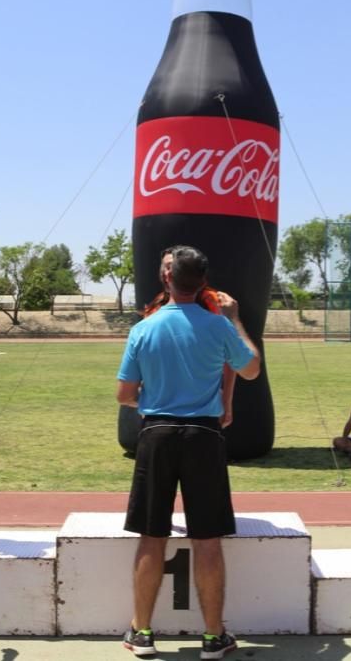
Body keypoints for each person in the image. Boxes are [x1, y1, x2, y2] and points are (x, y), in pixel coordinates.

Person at [116, 246, 260, 660]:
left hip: (156, 433)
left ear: (167, 279)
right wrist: (234, 318)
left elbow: (125, 394)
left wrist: (156, 394)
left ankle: (141, 632)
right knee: (207, 539)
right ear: (204, 282)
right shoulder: (219, 326)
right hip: (203, 435)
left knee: (152, 535)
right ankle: (214, 637)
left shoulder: (145, 328)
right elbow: (250, 368)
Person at [142, 246, 237, 427]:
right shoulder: (155, 306)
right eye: (164, 267)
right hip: (162, 412)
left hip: (201, 412)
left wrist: (226, 402)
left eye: (171, 266)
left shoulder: (211, 301)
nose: (167, 272)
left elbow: (231, 359)